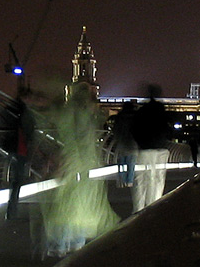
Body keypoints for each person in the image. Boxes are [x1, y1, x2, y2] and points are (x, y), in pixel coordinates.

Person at [40, 84, 118, 257]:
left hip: (70, 162)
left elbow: (58, 131)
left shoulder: (68, 113)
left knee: (66, 203)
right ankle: (76, 243)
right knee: (80, 203)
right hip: (82, 164)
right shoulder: (87, 117)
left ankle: (60, 244)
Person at [130, 84, 171, 213]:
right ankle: (154, 207)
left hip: (144, 148)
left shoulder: (142, 111)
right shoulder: (161, 111)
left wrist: (140, 142)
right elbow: (167, 128)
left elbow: (134, 128)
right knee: (157, 180)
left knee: (141, 181)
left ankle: (138, 209)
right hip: (160, 148)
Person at [108, 101, 138, 187]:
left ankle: (122, 180)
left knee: (121, 163)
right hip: (133, 144)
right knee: (131, 164)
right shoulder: (136, 118)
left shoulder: (119, 117)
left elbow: (115, 130)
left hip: (121, 143)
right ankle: (129, 181)